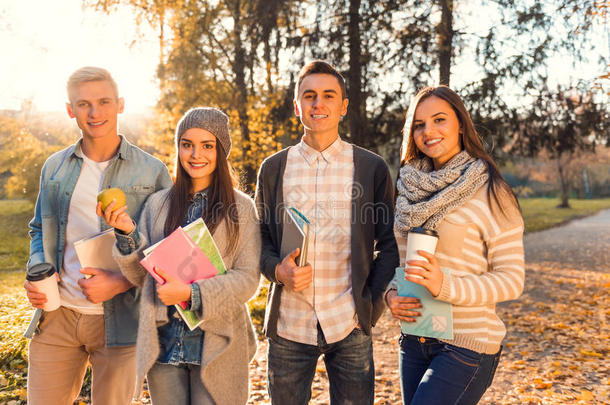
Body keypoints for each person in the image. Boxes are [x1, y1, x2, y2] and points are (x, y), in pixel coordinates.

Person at [24, 66, 172, 405]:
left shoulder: (152, 171)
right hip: (58, 317)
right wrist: (38, 271)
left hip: (121, 323)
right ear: (69, 110)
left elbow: (167, 249)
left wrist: (120, 281)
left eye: (104, 101)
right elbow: (38, 228)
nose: (94, 113)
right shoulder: (55, 167)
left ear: (120, 104)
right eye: (83, 104)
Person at [255, 60, 399, 405]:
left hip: (348, 324)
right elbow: (257, 239)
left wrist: (369, 306)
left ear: (343, 106)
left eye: (328, 96)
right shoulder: (274, 168)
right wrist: (276, 270)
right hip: (290, 325)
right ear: (297, 106)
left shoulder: (369, 167)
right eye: (309, 96)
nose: (318, 104)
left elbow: (391, 244)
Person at [102, 107, 261, 405]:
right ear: (178, 149)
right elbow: (142, 277)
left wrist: (191, 292)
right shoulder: (157, 205)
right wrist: (127, 234)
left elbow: (248, 279)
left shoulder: (241, 209)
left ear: (221, 151)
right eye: (187, 144)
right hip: (164, 344)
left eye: (207, 145)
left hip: (216, 344)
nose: (195, 154)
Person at [385, 85, 525, 404]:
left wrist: (445, 286)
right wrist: (391, 292)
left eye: (439, 120)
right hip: (415, 338)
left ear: (460, 124)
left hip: (465, 345)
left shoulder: (491, 190)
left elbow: (512, 280)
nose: (428, 131)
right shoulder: (408, 188)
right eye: (419, 124)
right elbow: (405, 264)